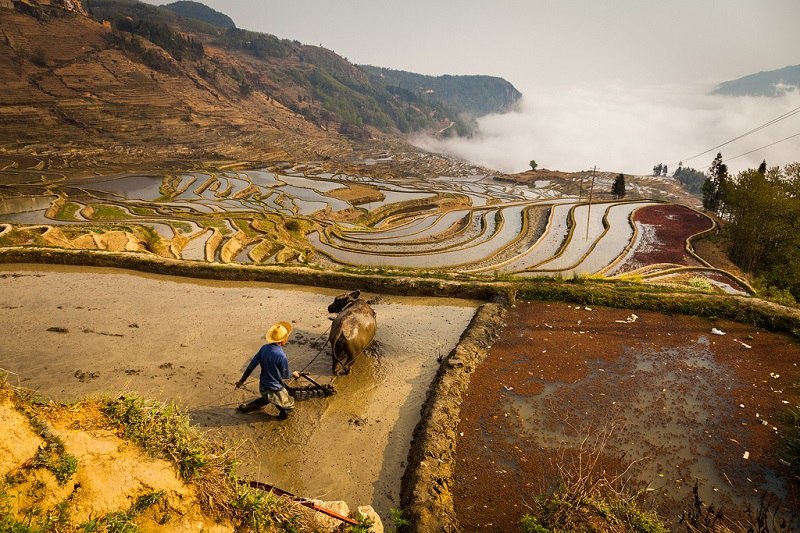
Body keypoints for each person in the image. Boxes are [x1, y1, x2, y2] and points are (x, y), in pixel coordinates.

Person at [235, 321, 300, 419]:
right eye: (286, 337)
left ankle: (248, 407)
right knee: (289, 406)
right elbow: (285, 375)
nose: (287, 339)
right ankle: (281, 415)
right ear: (283, 340)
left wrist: (242, 381)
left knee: (269, 397)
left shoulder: (264, 348)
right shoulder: (281, 356)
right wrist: (294, 374)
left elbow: (251, 366)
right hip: (275, 388)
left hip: (263, 386)